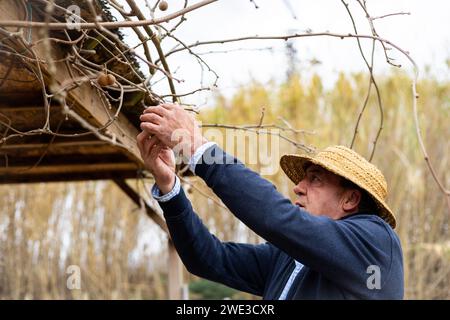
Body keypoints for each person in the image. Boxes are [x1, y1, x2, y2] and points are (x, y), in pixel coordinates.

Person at [136, 103, 404, 299]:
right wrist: (169, 188)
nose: (298, 187)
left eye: (315, 179)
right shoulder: (290, 258)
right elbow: (208, 259)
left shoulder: (375, 242)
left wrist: (197, 148)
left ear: (350, 199)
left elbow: (276, 217)